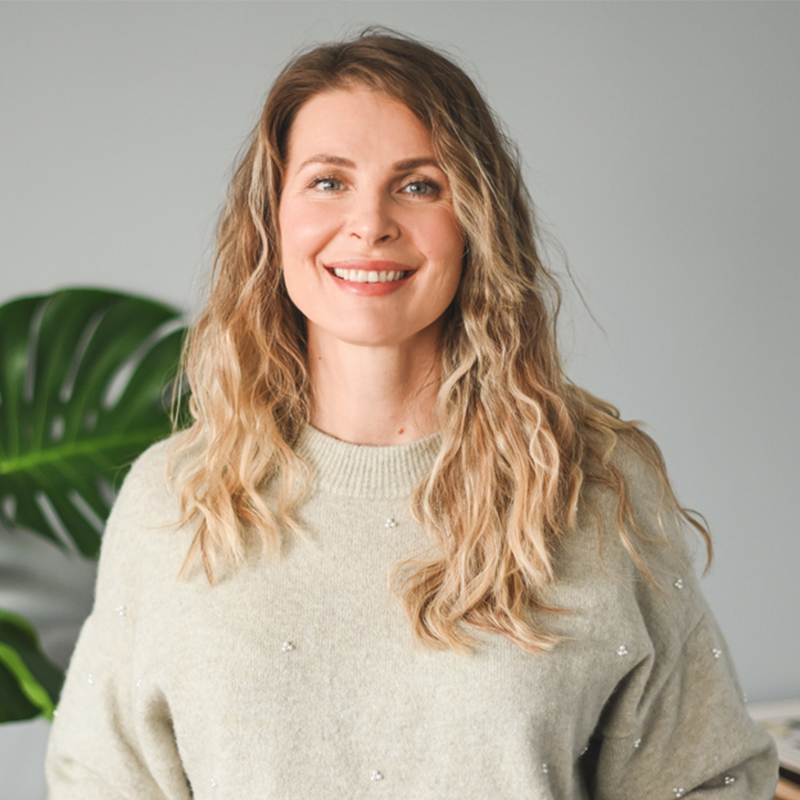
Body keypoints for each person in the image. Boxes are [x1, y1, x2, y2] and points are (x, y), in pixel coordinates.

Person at [45, 29, 778, 799]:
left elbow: (709, 778)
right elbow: (99, 781)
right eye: (329, 181)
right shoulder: (172, 500)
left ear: (475, 223)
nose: (370, 224)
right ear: (273, 217)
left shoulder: (594, 487)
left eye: (419, 185)